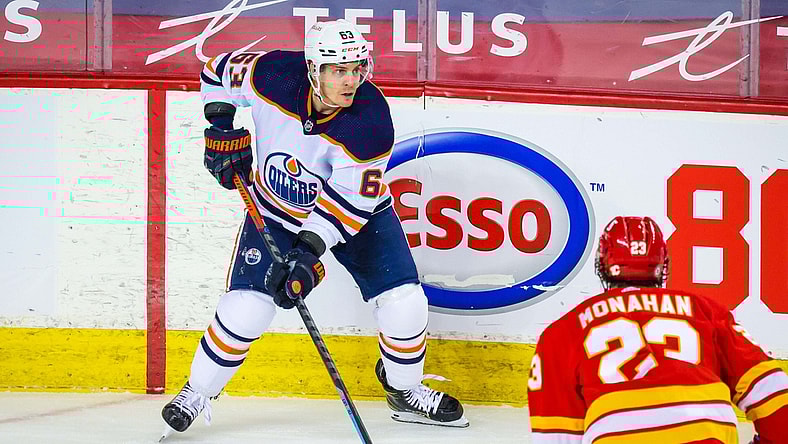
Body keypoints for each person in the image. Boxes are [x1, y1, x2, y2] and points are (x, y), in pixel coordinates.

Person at [160, 19, 468, 437]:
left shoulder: (370, 122)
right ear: (312, 69)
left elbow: (349, 204)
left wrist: (307, 255)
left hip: (358, 215)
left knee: (405, 302)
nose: (351, 80)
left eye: (358, 68)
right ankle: (197, 392)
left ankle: (404, 390)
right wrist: (221, 129)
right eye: (339, 70)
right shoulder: (272, 74)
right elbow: (217, 72)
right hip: (275, 210)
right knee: (247, 308)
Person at [527, 216, 788, 443]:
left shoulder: (561, 332)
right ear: (662, 265)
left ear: (602, 266)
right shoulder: (707, 311)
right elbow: (775, 394)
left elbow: (556, 434)